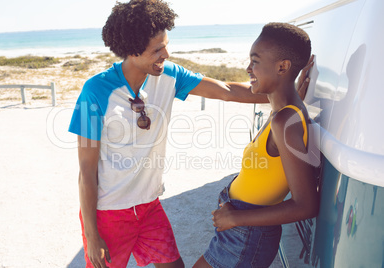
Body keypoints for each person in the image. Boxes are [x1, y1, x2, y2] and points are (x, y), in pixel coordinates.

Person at [68, 0, 312, 267]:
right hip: (109, 214)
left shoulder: (170, 75)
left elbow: (227, 91)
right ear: (132, 51)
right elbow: (86, 171)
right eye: (158, 49)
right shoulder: (96, 92)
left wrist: (283, 92)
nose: (167, 54)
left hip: (149, 207)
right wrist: (91, 235)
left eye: (166, 44)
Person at [193, 22, 319, 268]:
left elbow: (306, 205)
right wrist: (292, 90)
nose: (247, 68)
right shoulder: (281, 111)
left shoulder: (285, 120)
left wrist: (237, 217)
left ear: (283, 67)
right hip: (240, 229)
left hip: (247, 234)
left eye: (255, 61)